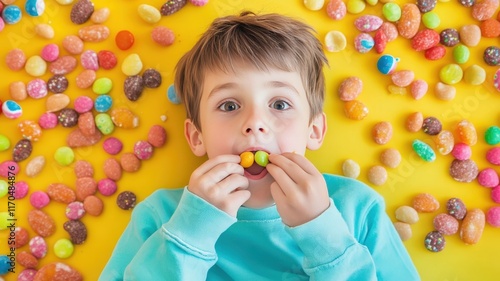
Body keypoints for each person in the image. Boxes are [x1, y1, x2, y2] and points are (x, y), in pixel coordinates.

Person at [100, 11, 420, 280]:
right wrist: (188, 237)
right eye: (228, 106)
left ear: (314, 130)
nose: (255, 122)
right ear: (197, 136)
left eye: (280, 104)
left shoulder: (357, 209)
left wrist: (323, 235)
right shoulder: (163, 217)